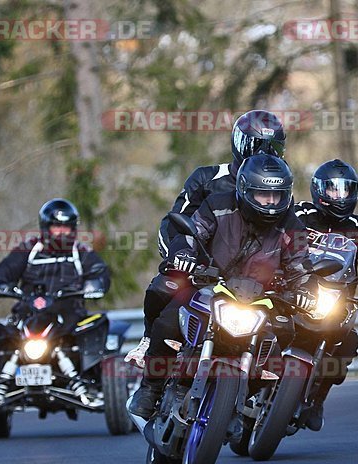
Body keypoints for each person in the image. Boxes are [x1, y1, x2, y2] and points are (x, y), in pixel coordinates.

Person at [128, 154, 315, 419]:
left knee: (283, 333)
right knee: (170, 321)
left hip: (260, 299)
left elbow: (301, 264)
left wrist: (306, 291)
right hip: (211, 284)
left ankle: (235, 406)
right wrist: (185, 255)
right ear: (245, 190)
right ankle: (150, 389)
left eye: (276, 196)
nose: (270, 203)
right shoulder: (217, 205)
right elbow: (192, 233)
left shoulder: (291, 224)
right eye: (263, 195)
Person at [125, 110, 287, 366]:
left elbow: (289, 235)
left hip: (251, 282)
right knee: (163, 288)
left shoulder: (277, 187)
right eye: (257, 146)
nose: (264, 155)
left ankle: (269, 393)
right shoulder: (207, 178)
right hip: (202, 270)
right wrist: (180, 257)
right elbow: (175, 222)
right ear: (239, 143)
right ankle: (149, 344)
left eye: (273, 147)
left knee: (288, 326)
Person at [293, 159, 358, 431]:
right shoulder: (298, 215)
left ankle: (316, 400)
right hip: (295, 291)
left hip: (336, 299)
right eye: (332, 190)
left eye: (345, 190)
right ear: (318, 190)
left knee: (348, 343)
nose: (339, 197)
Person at [0, 198, 111, 328]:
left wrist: (92, 285)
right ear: (46, 226)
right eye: (57, 226)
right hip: (28, 315)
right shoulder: (28, 249)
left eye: (66, 227)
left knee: (90, 334)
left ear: (73, 228)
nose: (62, 232)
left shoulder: (81, 252)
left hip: (69, 318)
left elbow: (100, 272)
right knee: (1, 339)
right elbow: (6, 270)